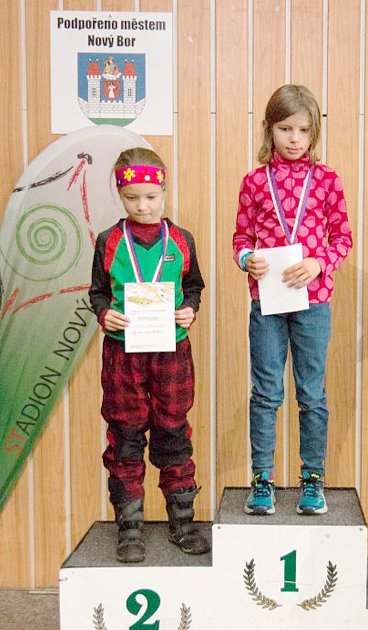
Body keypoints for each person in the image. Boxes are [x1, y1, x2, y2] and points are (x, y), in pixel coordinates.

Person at [232, 84, 352, 516]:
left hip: (314, 300)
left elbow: (342, 237)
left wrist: (320, 263)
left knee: (311, 393)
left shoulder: (327, 180)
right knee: (265, 392)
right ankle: (262, 478)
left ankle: (312, 479)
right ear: (270, 128)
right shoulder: (254, 181)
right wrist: (246, 258)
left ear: (314, 132)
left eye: (303, 129)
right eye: (285, 128)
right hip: (267, 302)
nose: (294, 138)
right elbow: (241, 237)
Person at [89, 147, 209, 562]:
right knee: (125, 436)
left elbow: (194, 285)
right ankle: (130, 528)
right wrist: (105, 314)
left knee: (174, 431)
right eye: (133, 197)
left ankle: (182, 522)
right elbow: (97, 292)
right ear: (120, 196)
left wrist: (190, 308)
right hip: (124, 355)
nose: (143, 205)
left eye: (151, 197)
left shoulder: (181, 240)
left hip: (171, 351)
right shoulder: (108, 241)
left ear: (163, 191)